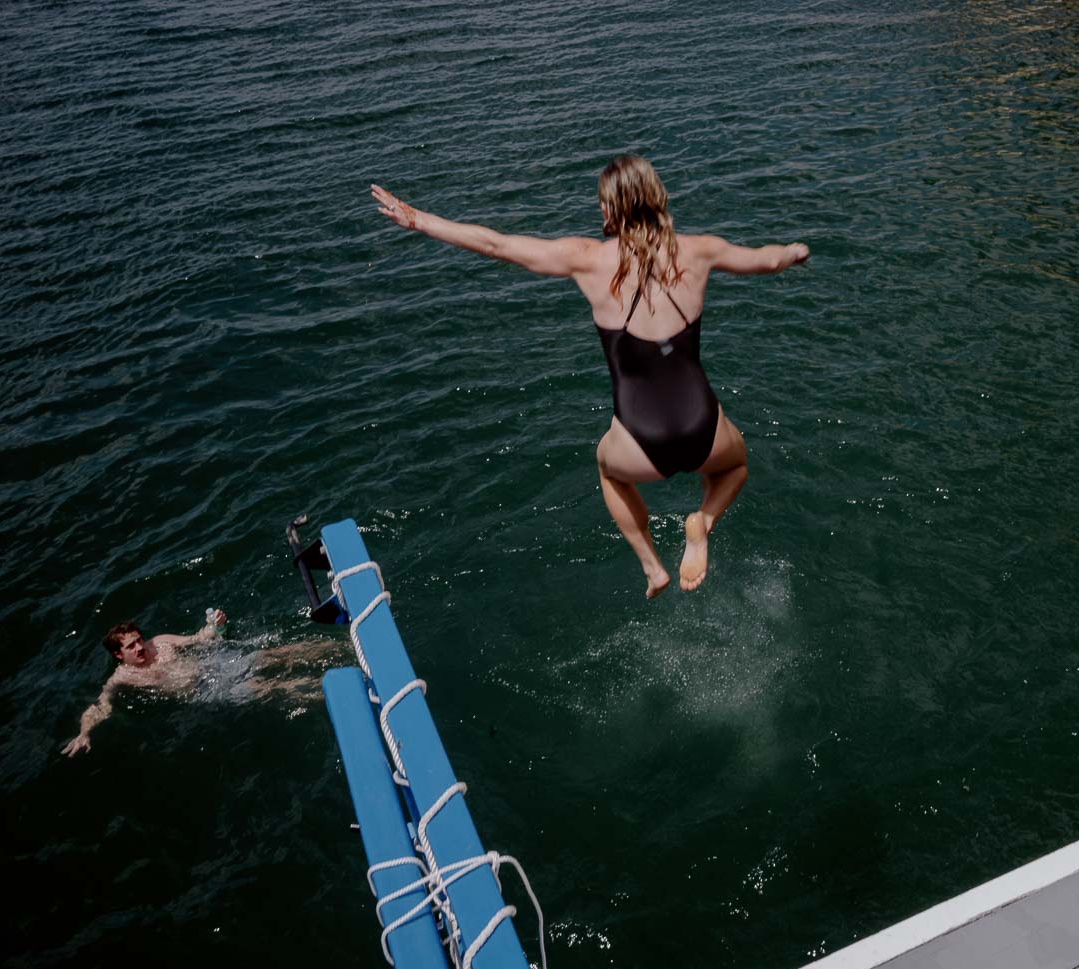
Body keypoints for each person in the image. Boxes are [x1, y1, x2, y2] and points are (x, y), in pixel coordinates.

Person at [371, 155, 809, 598]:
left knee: (609, 471)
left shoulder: (588, 260)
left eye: (603, 204)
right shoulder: (697, 250)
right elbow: (765, 260)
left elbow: (497, 245)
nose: (600, 211)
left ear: (617, 206)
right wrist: (793, 253)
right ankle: (704, 523)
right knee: (734, 466)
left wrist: (419, 220)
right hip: (701, 424)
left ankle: (652, 566)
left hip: (640, 438)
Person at [61, 612, 330, 756]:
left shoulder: (161, 643)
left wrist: (214, 626)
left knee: (274, 654)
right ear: (118, 655)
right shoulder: (121, 677)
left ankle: (337, 645)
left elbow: (197, 639)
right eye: (131, 646)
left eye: (139, 640)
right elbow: (100, 706)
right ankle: (326, 689)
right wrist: (85, 732)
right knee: (268, 688)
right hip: (207, 690)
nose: (140, 647)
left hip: (214, 665)